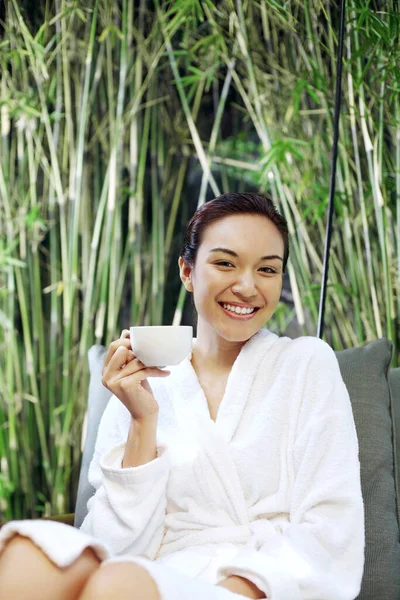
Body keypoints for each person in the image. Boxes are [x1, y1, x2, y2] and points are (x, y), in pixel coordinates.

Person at [0, 192, 365, 600]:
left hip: (266, 585)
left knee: (118, 585)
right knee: (26, 554)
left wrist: (230, 589)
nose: (247, 286)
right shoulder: (146, 379)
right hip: (155, 576)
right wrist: (142, 420)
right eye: (226, 263)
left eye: (267, 269)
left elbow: (332, 528)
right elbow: (113, 545)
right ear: (188, 272)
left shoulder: (306, 364)